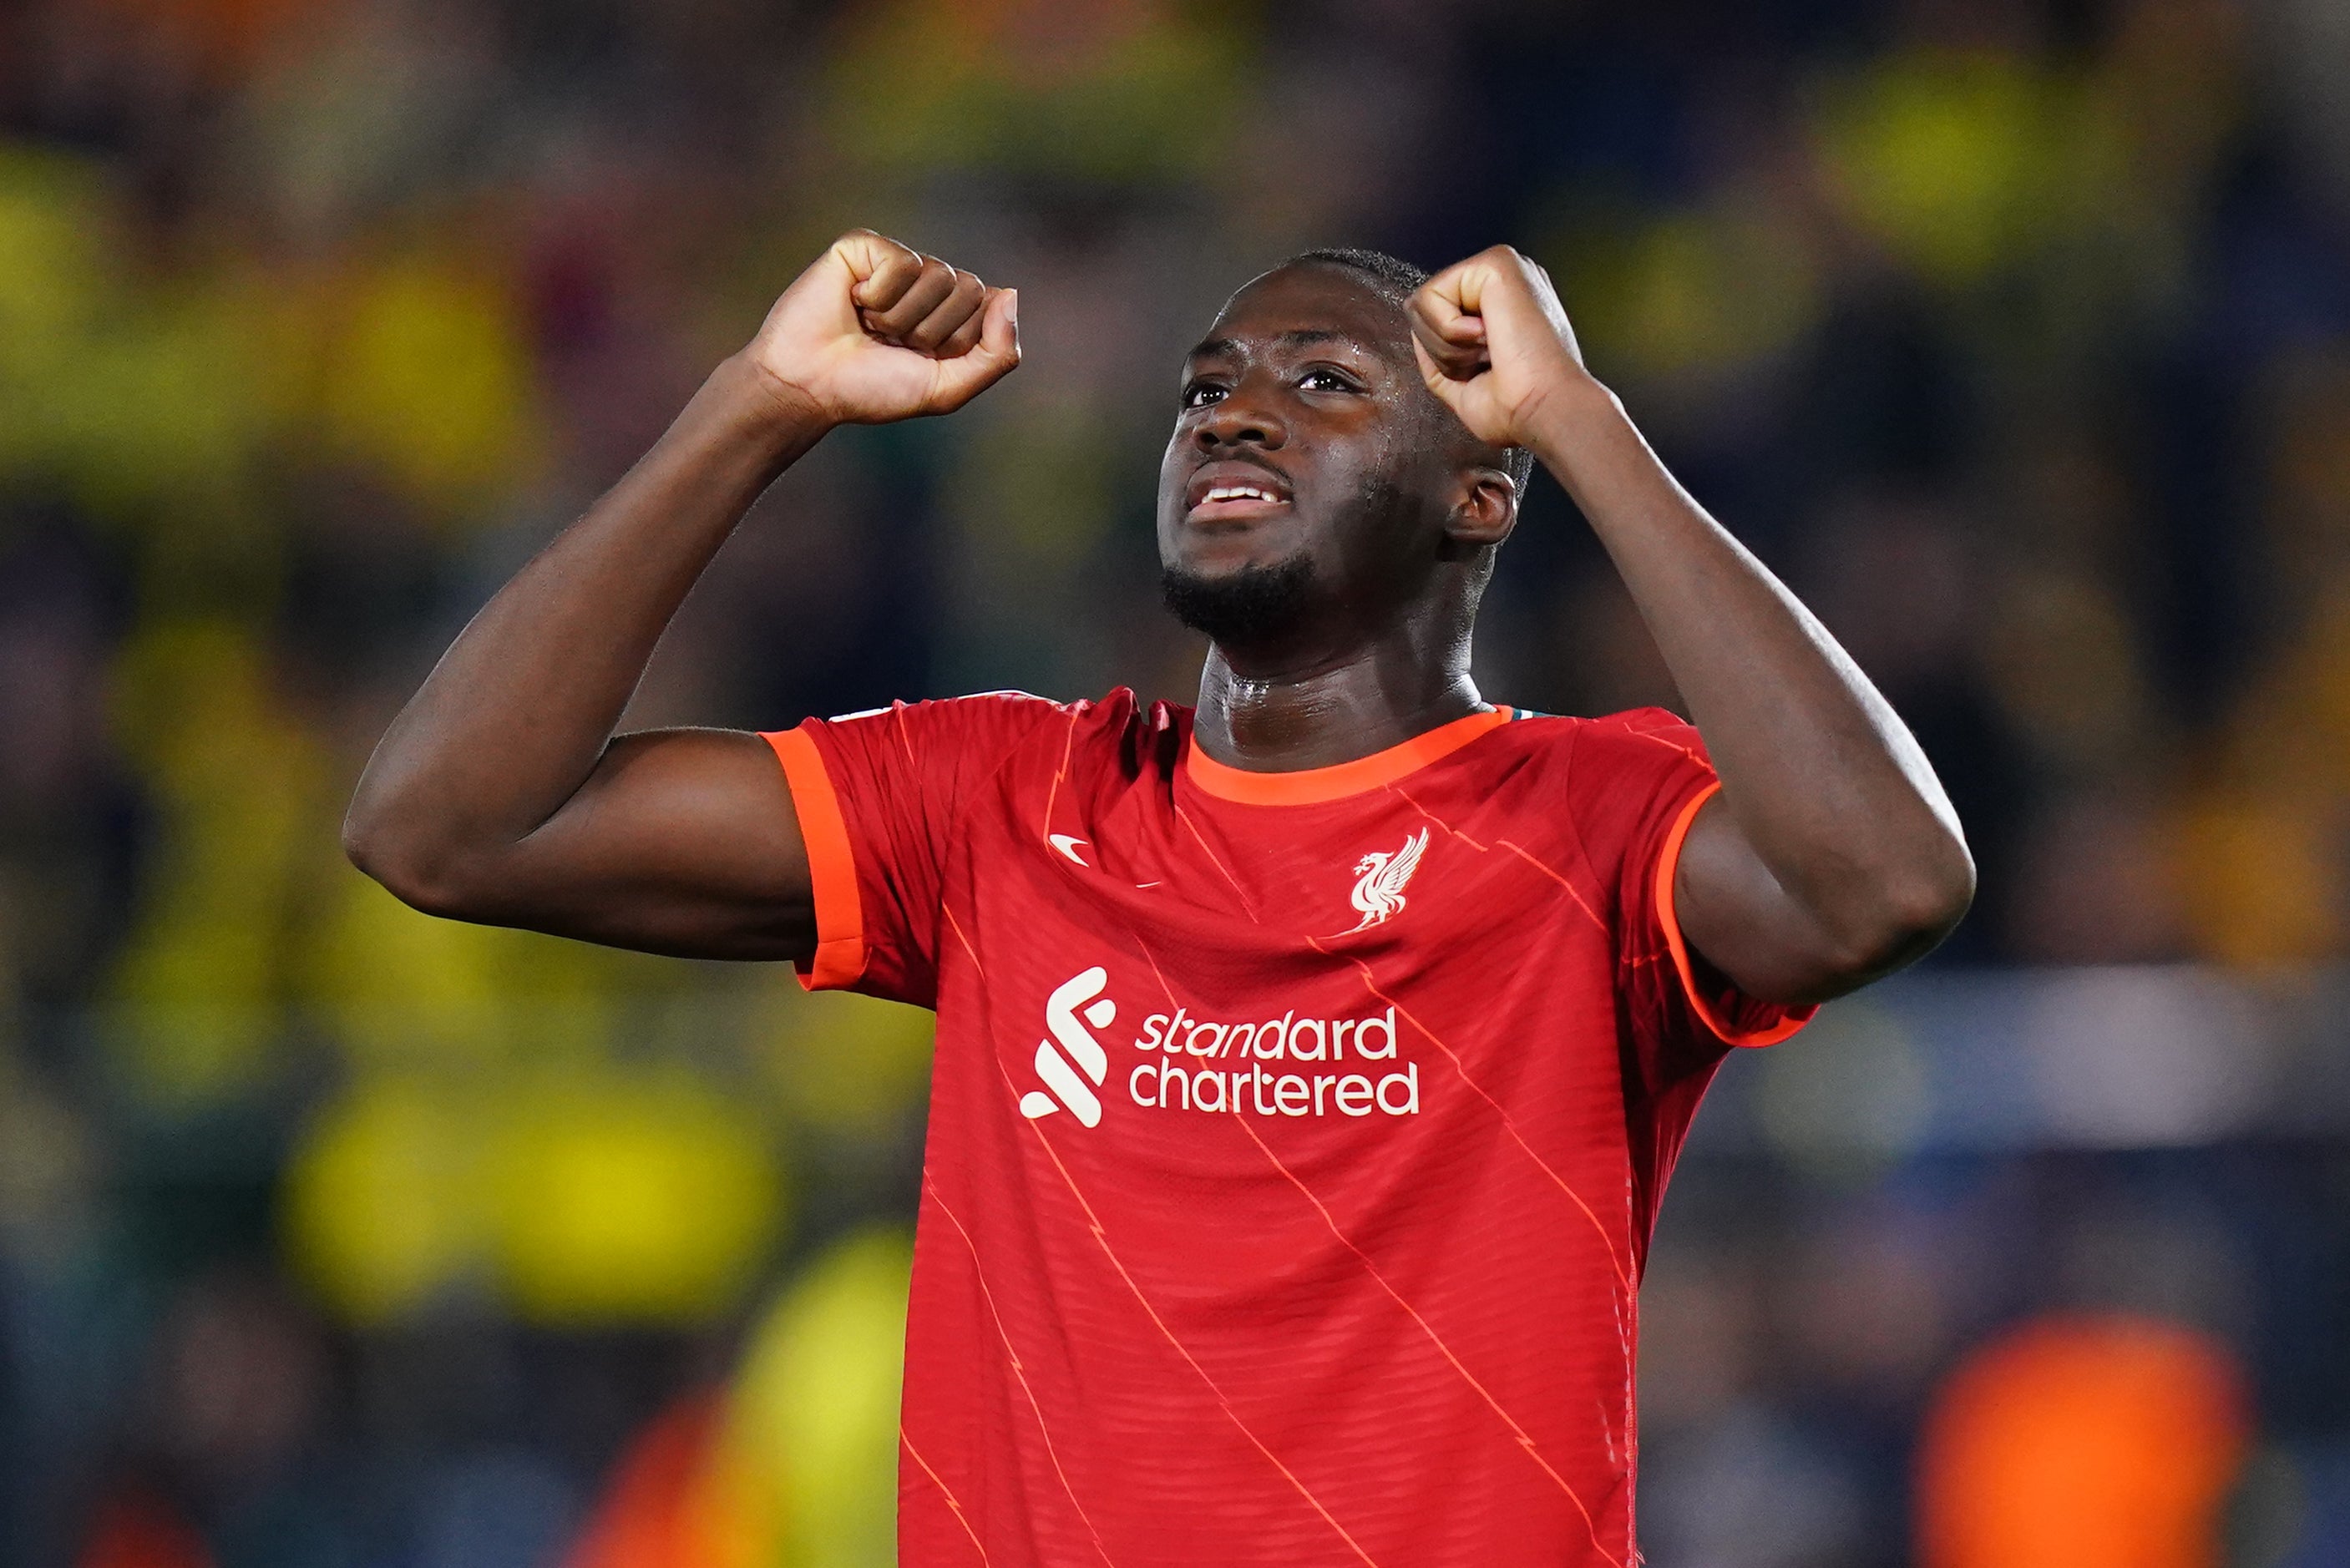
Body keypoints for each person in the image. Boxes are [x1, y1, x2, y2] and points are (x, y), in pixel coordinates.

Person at [344, 230, 1973, 1565]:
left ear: (1479, 491)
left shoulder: (1584, 828)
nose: (1233, 417)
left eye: (1323, 384)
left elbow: (1886, 879)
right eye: (1206, 391)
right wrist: (758, 403)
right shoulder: (1006, 807)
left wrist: (1582, 422)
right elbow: (446, 826)